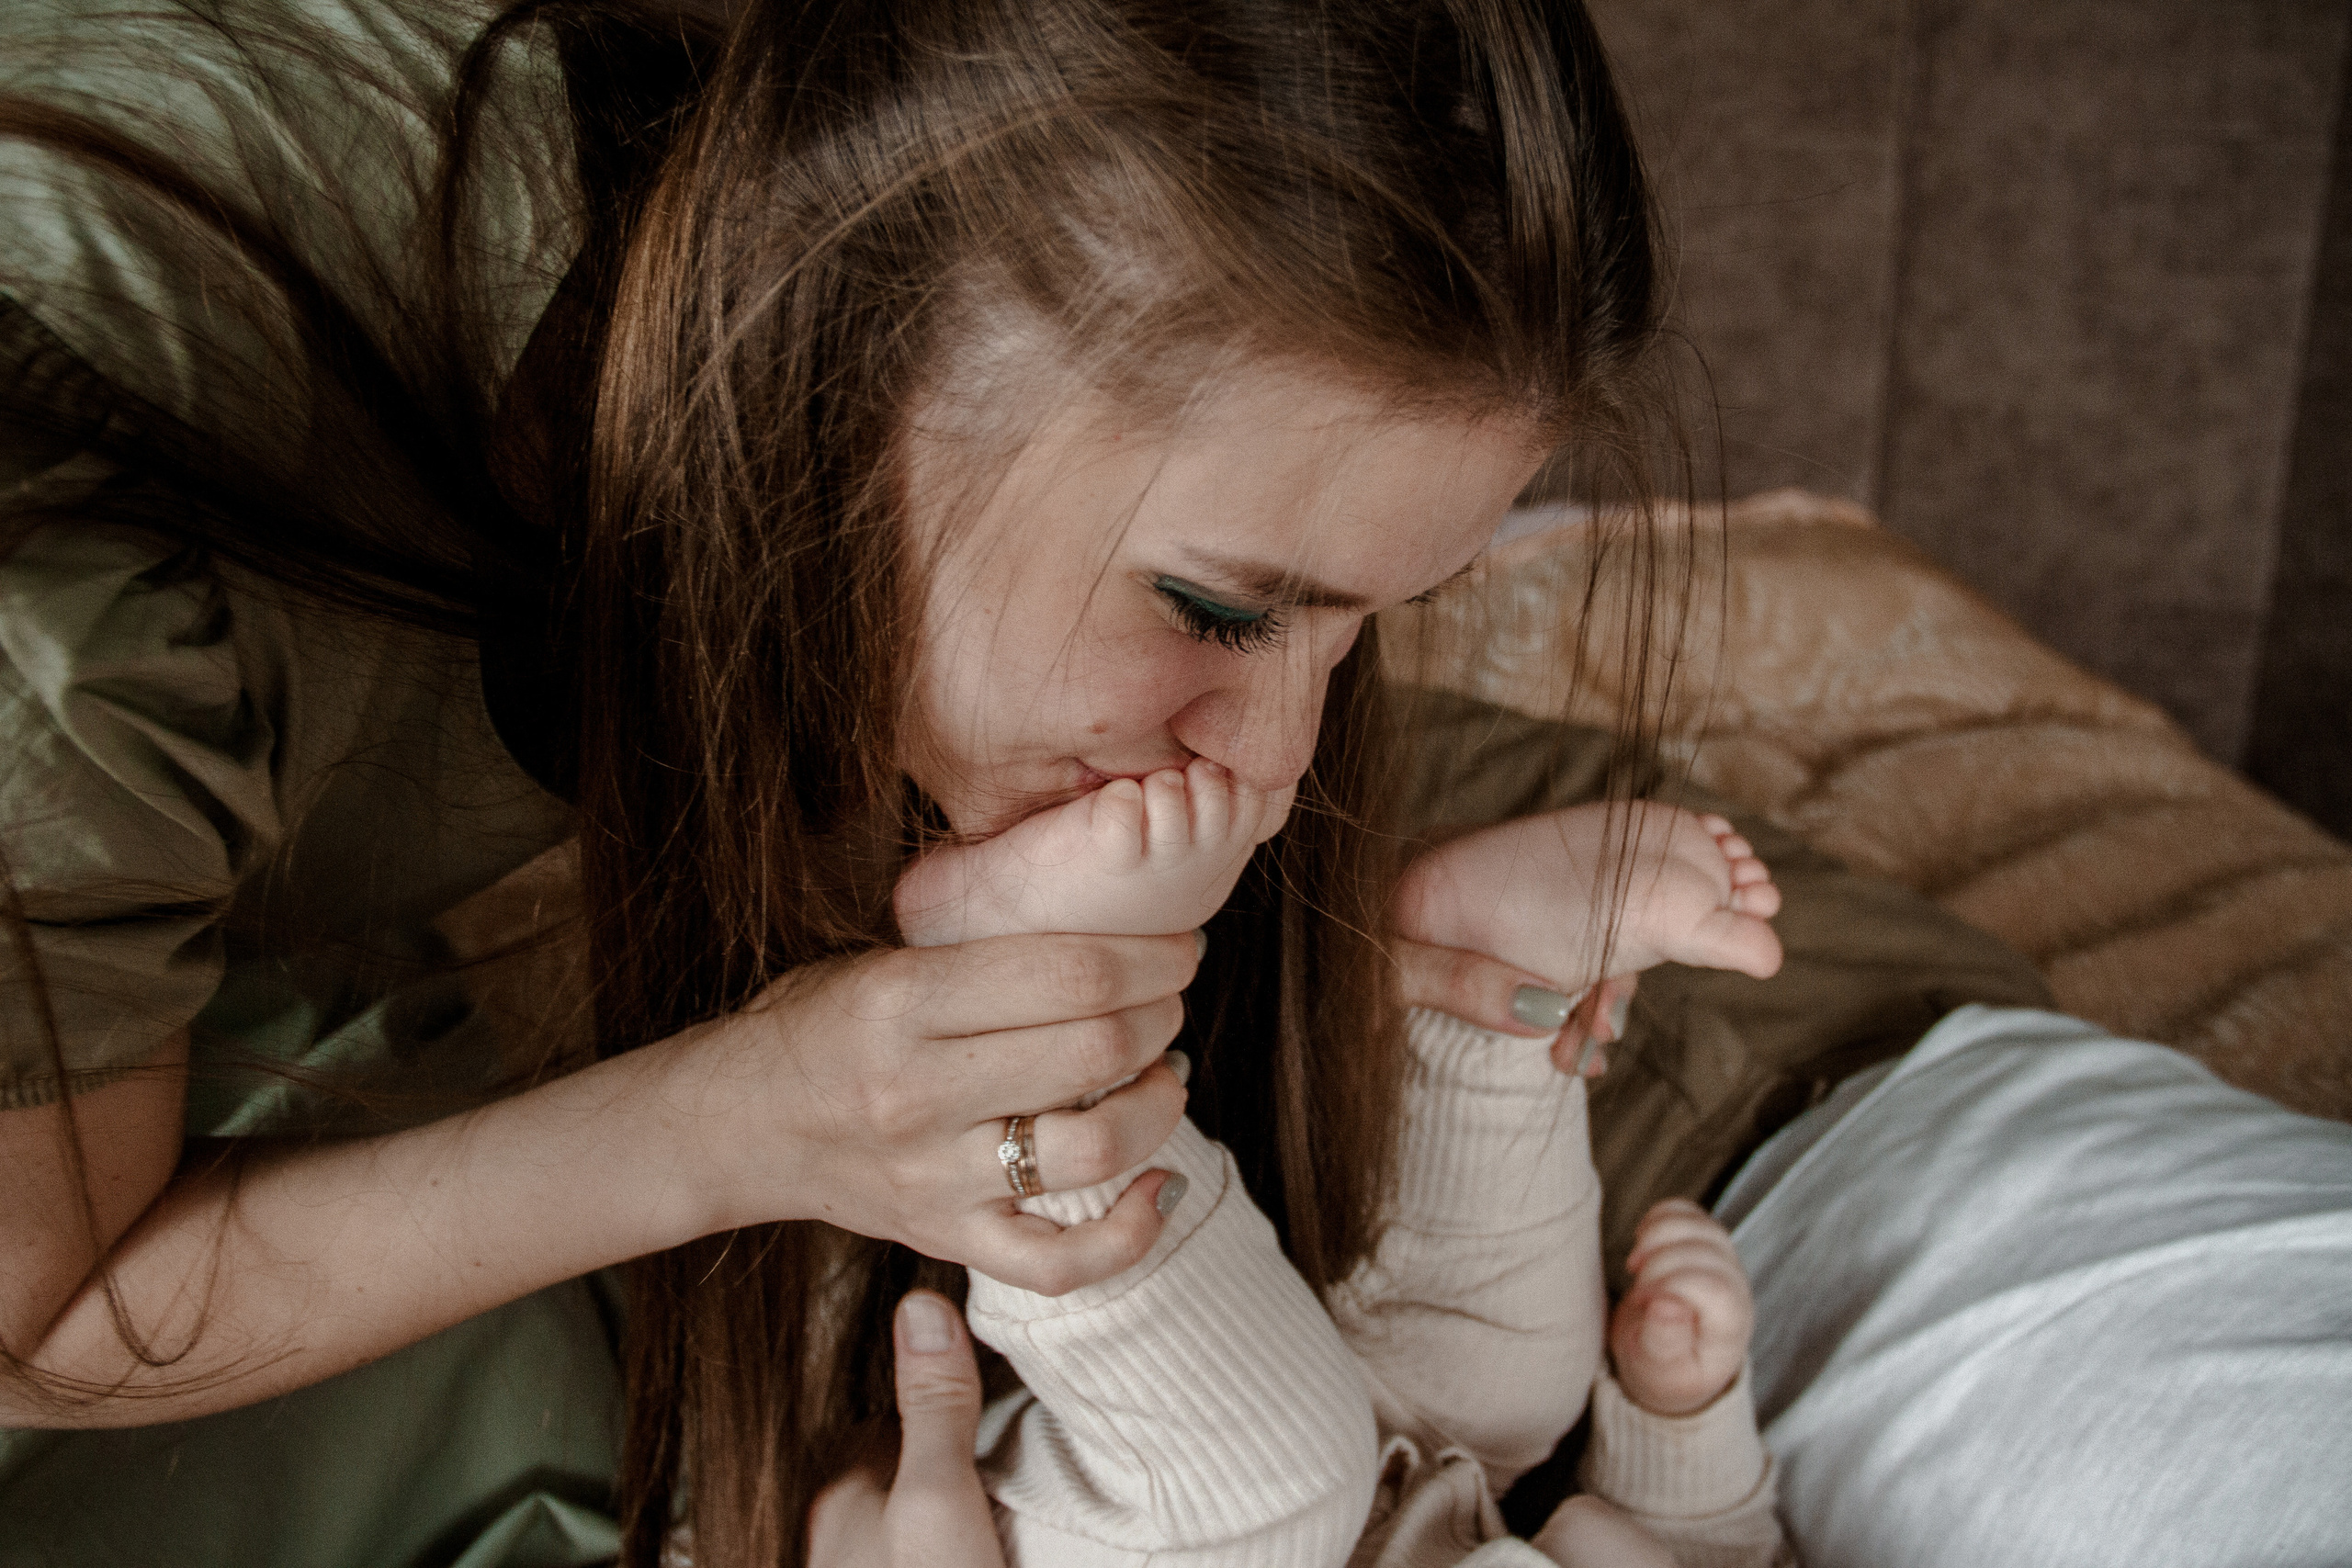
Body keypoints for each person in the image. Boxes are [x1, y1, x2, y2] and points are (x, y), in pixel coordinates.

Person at [0, 0, 1703, 1562]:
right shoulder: (78, 577)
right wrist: (738, 1121)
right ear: (854, 334)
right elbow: (33, 1325)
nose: (1273, 769)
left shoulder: (870, 143)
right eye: (1215, 607)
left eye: (1361, 624)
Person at [887, 756, 1793, 1568]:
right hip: (1427, 1486)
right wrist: (1683, 1411)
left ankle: (1028, 1013)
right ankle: (1486, 978)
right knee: (1512, 1380)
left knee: (1276, 1488)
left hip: (1178, 1524)